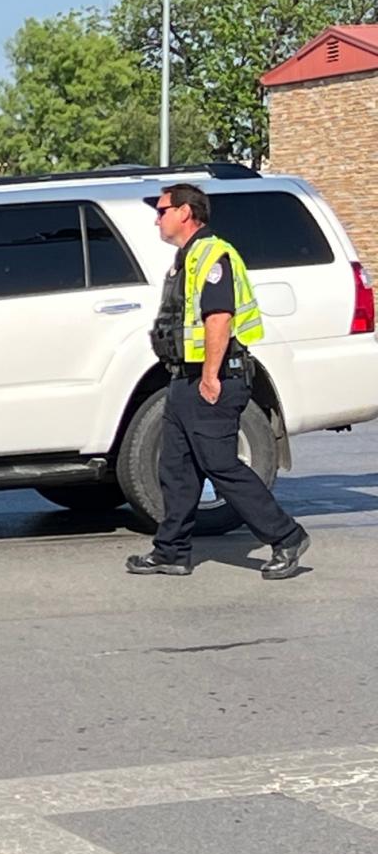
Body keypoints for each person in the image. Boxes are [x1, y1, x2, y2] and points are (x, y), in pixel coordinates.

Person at [126, 183, 310, 581]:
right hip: (182, 378)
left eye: (162, 210)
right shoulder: (186, 258)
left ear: (186, 213)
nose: (157, 218)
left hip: (214, 376)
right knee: (176, 469)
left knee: (220, 465)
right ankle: (171, 552)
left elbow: (219, 319)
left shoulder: (214, 255)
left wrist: (210, 376)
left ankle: (287, 537)